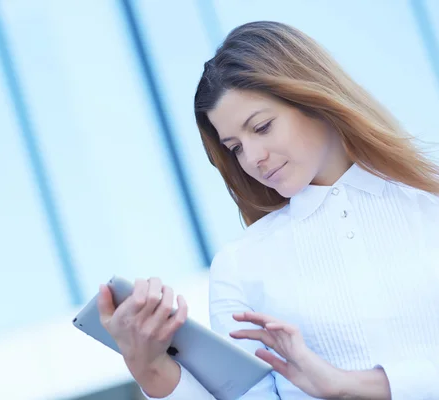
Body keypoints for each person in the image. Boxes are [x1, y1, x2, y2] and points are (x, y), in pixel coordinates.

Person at [97, 20, 439, 399]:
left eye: (261, 127)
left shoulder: (429, 207)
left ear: (315, 99)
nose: (253, 159)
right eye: (235, 147)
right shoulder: (241, 266)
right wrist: (151, 368)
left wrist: (355, 387)